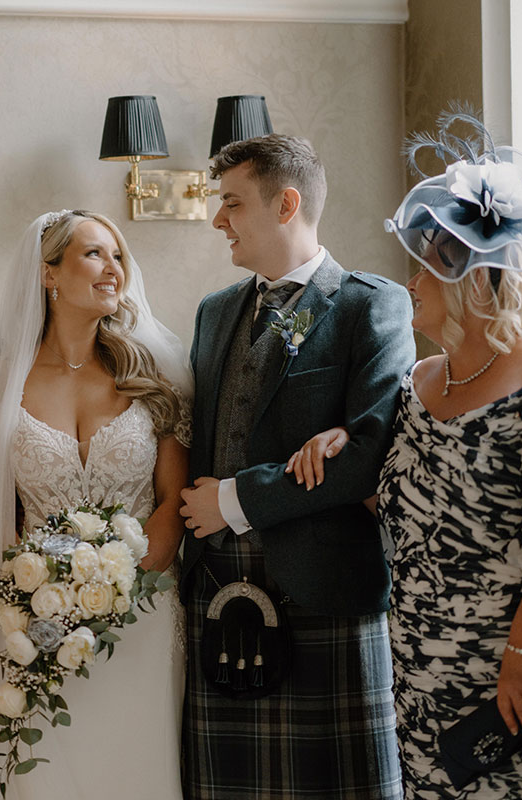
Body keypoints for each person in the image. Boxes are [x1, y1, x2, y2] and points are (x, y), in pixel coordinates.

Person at [290, 114, 522, 797]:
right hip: (415, 670)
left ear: (471, 281)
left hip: (507, 677)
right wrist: (341, 444)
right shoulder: (418, 383)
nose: (410, 285)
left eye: (423, 271)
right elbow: (392, 496)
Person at [0, 210, 192, 800]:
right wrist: (38, 608)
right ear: (49, 274)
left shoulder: (152, 373)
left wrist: (126, 586)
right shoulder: (0, 385)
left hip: (144, 622)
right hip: (41, 624)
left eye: (118, 256)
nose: (113, 269)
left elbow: (174, 502)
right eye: (95, 254)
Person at [177, 133, 413, 799]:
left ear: (286, 204)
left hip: (322, 594)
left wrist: (235, 500)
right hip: (217, 590)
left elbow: (367, 454)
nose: (218, 220)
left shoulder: (372, 303)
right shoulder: (215, 312)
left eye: (231, 203)